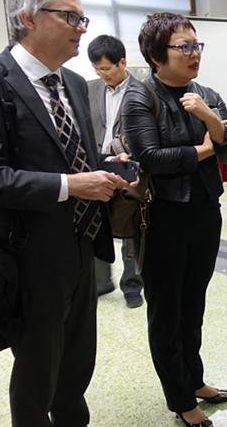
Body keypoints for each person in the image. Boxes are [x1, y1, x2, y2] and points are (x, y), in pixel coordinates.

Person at [0, 0, 131, 426]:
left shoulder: (74, 83)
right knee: (37, 371)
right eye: (70, 17)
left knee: (76, 367)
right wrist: (70, 185)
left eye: (83, 18)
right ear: (27, 18)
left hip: (82, 247)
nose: (81, 28)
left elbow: (69, 154)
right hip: (28, 257)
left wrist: (107, 163)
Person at [121, 12, 227, 427]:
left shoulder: (206, 94)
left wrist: (209, 118)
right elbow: (151, 158)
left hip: (206, 211)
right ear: (157, 55)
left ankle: (195, 379)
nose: (194, 54)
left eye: (196, 45)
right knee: (166, 312)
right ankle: (180, 399)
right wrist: (205, 149)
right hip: (162, 218)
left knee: (193, 305)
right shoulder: (139, 96)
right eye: (183, 47)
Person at [86, 34, 144, 308]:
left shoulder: (142, 90)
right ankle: (101, 282)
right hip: (96, 167)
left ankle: (132, 285)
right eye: (96, 69)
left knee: (130, 229)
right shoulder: (88, 89)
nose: (102, 74)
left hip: (128, 167)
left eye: (106, 68)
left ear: (122, 62)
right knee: (96, 225)